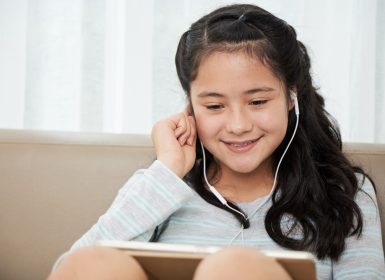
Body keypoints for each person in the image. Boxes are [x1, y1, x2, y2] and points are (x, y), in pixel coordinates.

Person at [48, 4, 385, 280]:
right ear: (189, 107)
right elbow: (71, 270)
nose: (238, 125)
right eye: (214, 106)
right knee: (96, 264)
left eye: (257, 102)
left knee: (236, 269)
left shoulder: (344, 192)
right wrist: (165, 171)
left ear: (290, 97)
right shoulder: (162, 190)